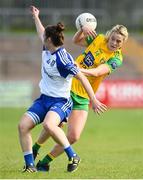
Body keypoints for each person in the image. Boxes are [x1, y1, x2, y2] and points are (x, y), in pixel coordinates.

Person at [18, 6, 107, 173]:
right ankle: (30, 165)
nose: (41, 37)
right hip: (43, 99)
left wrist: (93, 100)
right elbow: (41, 32)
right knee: (23, 126)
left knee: (49, 125)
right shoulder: (47, 48)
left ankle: (72, 155)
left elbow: (81, 77)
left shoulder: (64, 60)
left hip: (61, 102)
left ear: (50, 40)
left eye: (45, 37)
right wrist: (36, 17)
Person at [32, 18, 129, 172]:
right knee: (56, 123)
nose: (115, 43)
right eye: (113, 39)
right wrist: (82, 29)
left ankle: (45, 161)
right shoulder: (98, 40)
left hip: (84, 94)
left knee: (74, 136)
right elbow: (76, 40)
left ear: (122, 44)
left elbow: (98, 72)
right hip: (69, 87)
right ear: (109, 36)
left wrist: (75, 69)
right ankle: (35, 148)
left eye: (119, 42)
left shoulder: (116, 58)